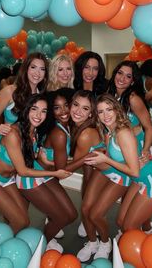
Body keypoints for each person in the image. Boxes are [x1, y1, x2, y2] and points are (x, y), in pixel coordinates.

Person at [78, 94, 152, 262]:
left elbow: (133, 171)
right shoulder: (110, 131)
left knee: (129, 226)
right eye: (100, 112)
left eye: (109, 110)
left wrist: (106, 160)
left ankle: (145, 257)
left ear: (117, 110)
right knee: (121, 221)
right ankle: (145, 233)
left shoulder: (123, 132)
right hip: (139, 180)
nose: (105, 115)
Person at [0, 94, 72, 241]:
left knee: (20, 217)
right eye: (34, 109)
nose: (39, 115)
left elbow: (28, 159)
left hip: (8, 179)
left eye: (44, 111)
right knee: (21, 221)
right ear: (26, 110)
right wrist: (56, 173)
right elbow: (23, 171)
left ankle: (3, 230)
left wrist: (48, 161)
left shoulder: (34, 132)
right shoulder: (13, 134)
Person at [0, 52, 49, 156]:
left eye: (42, 69)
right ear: (26, 69)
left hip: (29, 146)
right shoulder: (9, 91)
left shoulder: (42, 96)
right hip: (5, 147)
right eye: (33, 67)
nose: (37, 73)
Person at [69, 90, 105, 238]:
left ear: (91, 113)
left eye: (85, 108)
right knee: (87, 183)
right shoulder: (79, 125)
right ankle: (88, 222)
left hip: (106, 171)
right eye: (76, 105)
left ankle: (99, 237)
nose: (78, 111)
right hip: (92, 166)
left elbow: (74, 164)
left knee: (89, 207)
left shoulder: (86, 134)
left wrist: (47, 163)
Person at [108, 60, 152, 164]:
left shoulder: (133, 99)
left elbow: (149, 127)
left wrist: (146, 150)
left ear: (132, 81)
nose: (122, 78)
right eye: (120, 73)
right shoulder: (111, 95)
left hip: (136, 147)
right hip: (117, 146)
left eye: (128, 76)